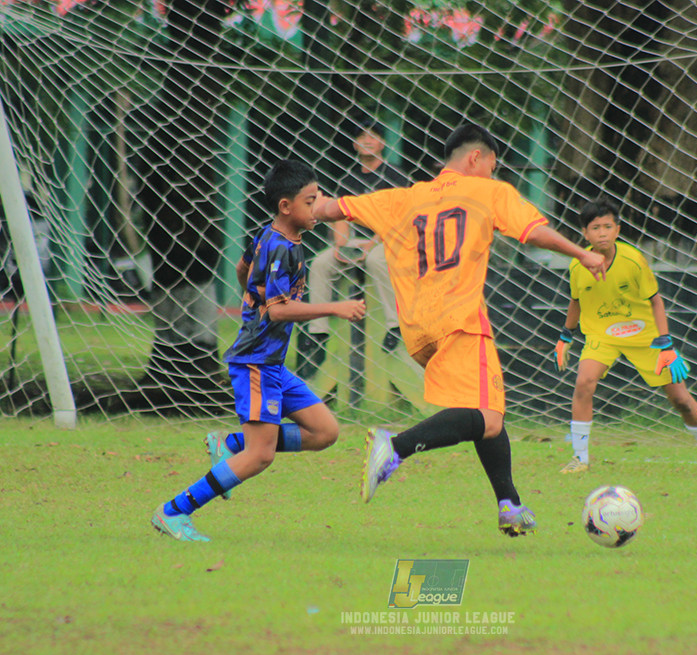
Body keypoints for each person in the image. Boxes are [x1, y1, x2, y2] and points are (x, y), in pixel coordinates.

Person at [313, 123, 608, 537]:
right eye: (492, 165)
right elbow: (534, 233)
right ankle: (392, 448)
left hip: (417, 327)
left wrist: (307, 200)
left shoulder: (403, 197)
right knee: (487, 416)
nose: (492, 173)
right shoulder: (489, 192)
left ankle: (510, 505)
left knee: (485, 409)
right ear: (476, 158)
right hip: (462, 320)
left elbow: (331, 210)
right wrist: (584, 255)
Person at [151, 159, 367, 542]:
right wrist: (335, 306)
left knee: (324, 431)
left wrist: (252, 297)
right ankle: (174, 511)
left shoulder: (269, 237)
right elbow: (279, 309)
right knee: (260, 456)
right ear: (286, 207)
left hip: (271, 363)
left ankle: (231, 443)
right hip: (255, 363)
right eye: (309, 201)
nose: (317, 207)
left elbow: (241, 267)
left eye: (318, 199)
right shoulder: (282, 249)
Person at [552, 197, 697, 478]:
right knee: (583, 383)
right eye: (595, 227)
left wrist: (666, 343)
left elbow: (656, 301)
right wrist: (566, 336)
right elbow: (576, 301)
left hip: (645, 335)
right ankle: (580, 458)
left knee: (681, 399)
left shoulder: (633, 260)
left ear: (618, 230)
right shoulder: (578, 265)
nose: (602, 233)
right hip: (602, 334)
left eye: (608, 226)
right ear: (585, 234)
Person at [297, 117, 408, 378]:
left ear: (382, 142)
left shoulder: (395, 174)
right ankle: (318, 334)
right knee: (321, 263)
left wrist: (373, 244)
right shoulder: (349, 177)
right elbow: (339, 216)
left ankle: (395, 325)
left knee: (376, 260)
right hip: (358, 241)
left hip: (389, 240)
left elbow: (400, 218)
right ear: (354, 144)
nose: (366, 141)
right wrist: (340, 246)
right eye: (361, 137)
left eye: (372, 136)